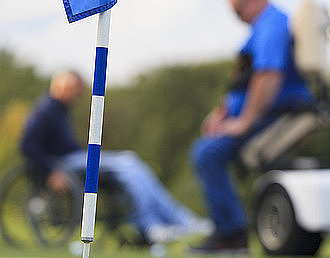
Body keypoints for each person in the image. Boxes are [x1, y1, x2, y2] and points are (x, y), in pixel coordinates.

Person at [189, 0, 314, 255]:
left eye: (237, 10)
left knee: (207, 153)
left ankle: (231, 235)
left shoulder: (272, 24)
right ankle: (230, 232)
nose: (236, 17)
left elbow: (268, 76)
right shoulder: (260, 28)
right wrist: (221, 112)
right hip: (259, 115)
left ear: (253, 0)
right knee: (206, 152)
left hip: (274, 115)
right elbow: (243, 80)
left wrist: (244, 121)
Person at [21, 71, 211, 244]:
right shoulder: (46, 111)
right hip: (65, 164)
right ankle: (153, 225)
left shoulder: (59, 111)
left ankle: (175, 220)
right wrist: (52, 172)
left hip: (74, 160)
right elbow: (28, 145)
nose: (77, 96)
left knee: (132, 166)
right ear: (63, 87)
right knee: (129, 164)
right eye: (75, 90)